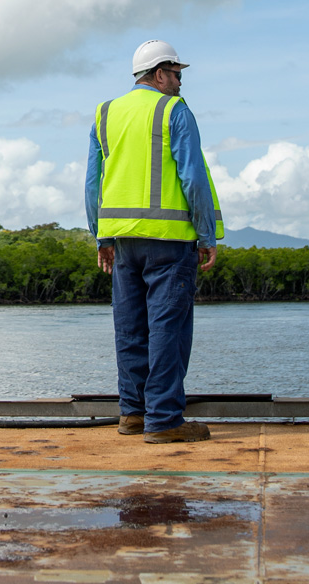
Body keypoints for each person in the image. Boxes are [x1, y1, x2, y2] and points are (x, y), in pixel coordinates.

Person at [86, 39, 224, 444]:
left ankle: (132, 413)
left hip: (123, 241)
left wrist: (102, 236)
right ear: (160, 74)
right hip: (170, 241)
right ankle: (163, 420)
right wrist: (206, 234)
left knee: (130, 327)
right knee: (168, 329)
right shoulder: (173, 110)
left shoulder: (105, 113)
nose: (181, 82)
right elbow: (193, 177)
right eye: (177, 74)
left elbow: (94, 182)